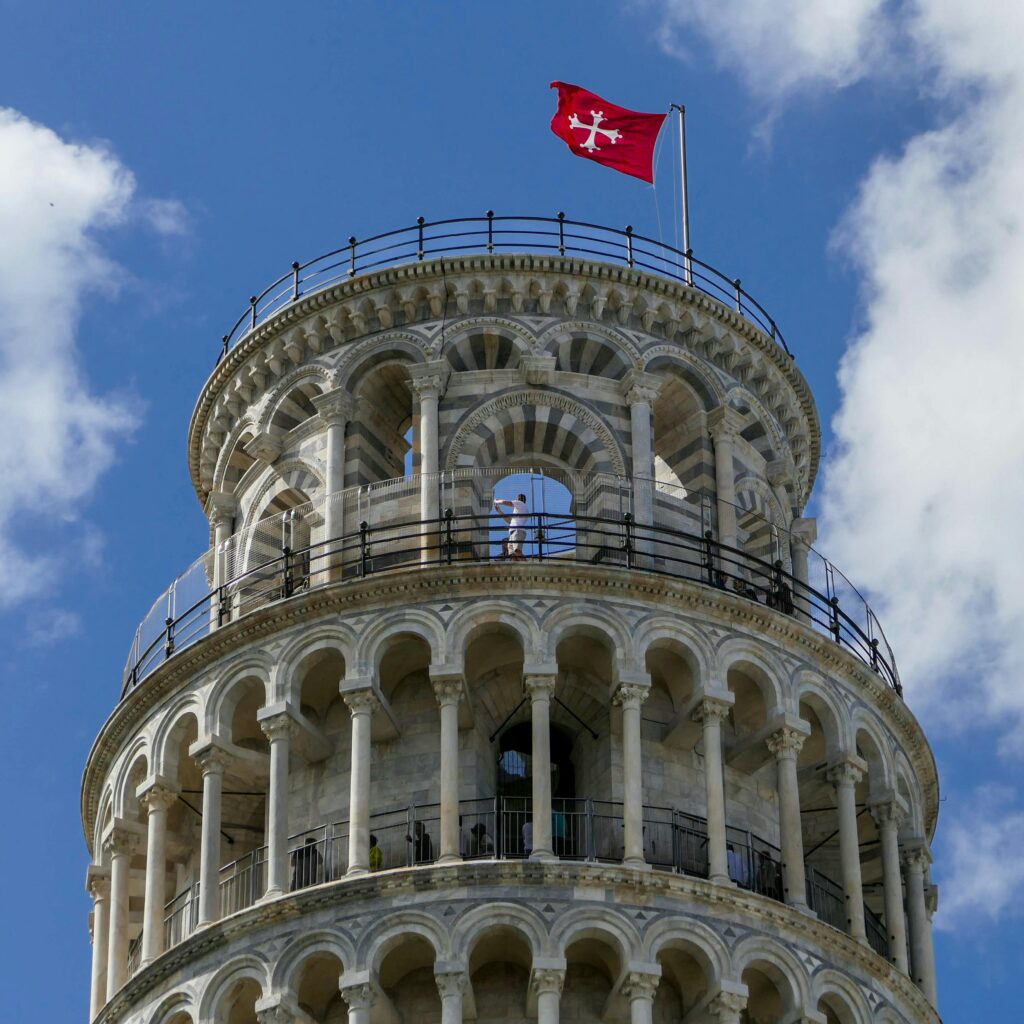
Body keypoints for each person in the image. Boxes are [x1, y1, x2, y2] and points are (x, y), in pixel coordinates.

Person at [494, 493, 529, 559]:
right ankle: (519, 567)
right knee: (512, 555)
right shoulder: (519, 511)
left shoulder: (520, 504)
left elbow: (506, 503)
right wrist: (499, 511)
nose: (517, 500)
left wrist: (496, 501)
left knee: (517, 551)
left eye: (518, 498)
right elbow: (509, 521)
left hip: (517, 531)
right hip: (513, 533)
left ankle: (529, 567)